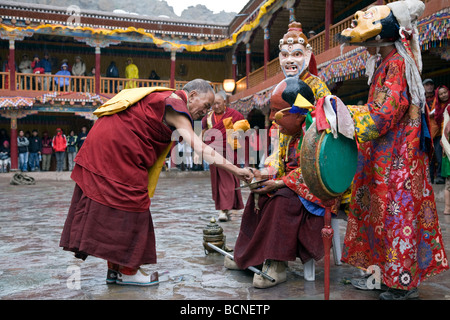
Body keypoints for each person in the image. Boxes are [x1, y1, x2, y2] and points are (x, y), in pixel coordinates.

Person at [59, 79, 253, 286]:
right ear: (193, 95)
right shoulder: (176, 105)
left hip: (106, 145)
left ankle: (115, 269)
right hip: (117, 150)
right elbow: (202, 149)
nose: (205, 113)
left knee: (119, 208)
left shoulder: (162, 97)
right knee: (134, 205)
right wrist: (237, 171)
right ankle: (128, 271)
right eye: (205, 106)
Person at [337, 0, 448, 299]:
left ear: (381, 37)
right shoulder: (387, 63)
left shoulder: (396, 64)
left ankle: (403, 284)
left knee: (398, 220)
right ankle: (387, 277)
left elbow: (384, 113)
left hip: (399, 159)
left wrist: (344, 115)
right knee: (385, 219)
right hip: (387, 158)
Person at [226, 77, 334, 289]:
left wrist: (279, 184)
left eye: (278, 111)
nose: (273, 118)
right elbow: (277, 159)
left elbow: (317, 171)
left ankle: (277, 264)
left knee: (280, 200)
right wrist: (262, 174)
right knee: (258, 193)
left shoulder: (319, 130)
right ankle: (248, 255)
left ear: (298, 112)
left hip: (314, 192)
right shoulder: (286, 131)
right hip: (290, 185)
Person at [201, 91, 246, 222]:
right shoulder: (208, 118)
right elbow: (203, 133)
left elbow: (244, 129)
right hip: (214, 152)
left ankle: (224, 209)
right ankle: (223, 208)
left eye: (218, 103)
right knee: (218, 180)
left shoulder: (234, 115)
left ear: (224, 103)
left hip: (230, 151)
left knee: (229, 180)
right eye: (213, 104)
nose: (215, 106)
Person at [424, 78, 444, 184]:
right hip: (427, 133)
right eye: (427, 85)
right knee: (429, 159)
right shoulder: (421, 99)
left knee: (439, 156)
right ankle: (430, 179)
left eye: (431, 84)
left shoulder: (438, 97)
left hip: (438, 132)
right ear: (423, 87)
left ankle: (440, 177)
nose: (429, 87)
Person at [437, 86, 450, 215]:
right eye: (441, 93)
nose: (444, 95)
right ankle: (447, 208)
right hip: (447, 151)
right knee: (448, 184)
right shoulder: (447, 110)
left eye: (445, 92)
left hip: (446, 149)